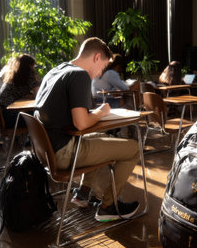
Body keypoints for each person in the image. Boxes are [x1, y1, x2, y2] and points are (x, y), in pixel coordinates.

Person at [34, 37, 140, 222]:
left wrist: (93, 114)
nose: (99, 74)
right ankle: (108, 206)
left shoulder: (56, 70)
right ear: (97, 57)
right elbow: (82, 124)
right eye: (102, 67)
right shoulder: (80, 75)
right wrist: (101, 112)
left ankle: (83, 194)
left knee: (98, 136)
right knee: (133, 148)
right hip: (63, 153)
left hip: (46, 150)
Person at [0, 54, 39, 128]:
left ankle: (27, 139)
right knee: (40, 117)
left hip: (0, 117)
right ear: (29, 66)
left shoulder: (15, 75)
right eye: (33, 66)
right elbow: (38, 95)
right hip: (10, 118)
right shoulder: (29, 74)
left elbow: (18, 93)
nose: (34, 68)